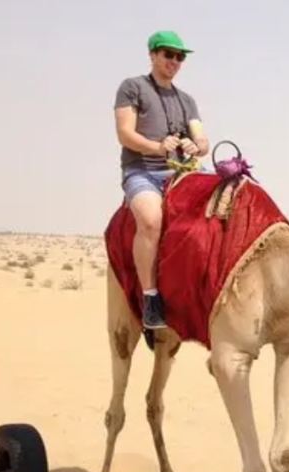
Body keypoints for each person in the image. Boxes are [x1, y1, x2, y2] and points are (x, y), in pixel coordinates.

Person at [113, 30, 209, 329]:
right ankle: (151, 298)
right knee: (152, 220)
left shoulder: (186, 101)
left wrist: (198, 146)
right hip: (142, 171)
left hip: (181, 172)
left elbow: (202, 138)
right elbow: (124, 134)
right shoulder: (132, 88)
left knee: (222, 208)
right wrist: (156, 147)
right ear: (152, 54)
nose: (175, 61)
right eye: (168, 54)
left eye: (180, 57)